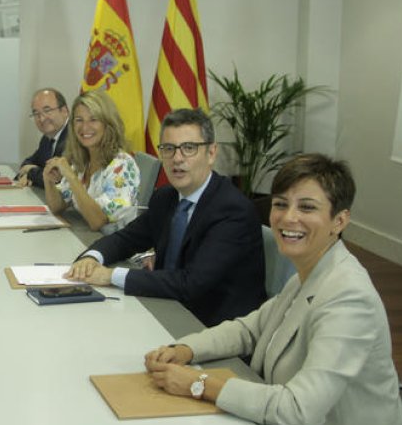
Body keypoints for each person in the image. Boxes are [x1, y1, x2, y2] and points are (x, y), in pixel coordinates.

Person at [142, 154, 402, 425]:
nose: (289, 218)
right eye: (281, 204)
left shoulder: (349, 296)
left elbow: (300, 408)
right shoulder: (309, 271)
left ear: (339, 220)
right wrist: (183, 349)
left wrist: (199, 384)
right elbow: (249, 329)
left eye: (307, 207)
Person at [65, 108, 264, 326]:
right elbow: (127, 239)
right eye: (169, 149)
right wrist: (92, 258)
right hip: (166, 309)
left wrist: (110, 276)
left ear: (211, 153)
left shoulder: (232, 210)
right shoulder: (166, 197)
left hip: (212, 327)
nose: (177, 158)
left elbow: (191, 283)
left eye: (189, 148)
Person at [42, 89, 140, 230]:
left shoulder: (122, 165)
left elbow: (98, 222)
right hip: (86, 239)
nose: (85, 127)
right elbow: (58, 206)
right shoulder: (82, 160)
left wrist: (71, 177)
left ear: (108, 123)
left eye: (93, 119)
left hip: (116, 245)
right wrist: (48, 181)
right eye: (79, 120)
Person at [14, 87, 69, 188]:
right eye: (36, 113)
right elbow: (29, 162)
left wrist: (30, 172)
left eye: (47, 110)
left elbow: (55, 179)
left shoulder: (72, 137)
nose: (42, 118)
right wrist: (30, 172)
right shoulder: (47, 138)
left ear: (64, 111)